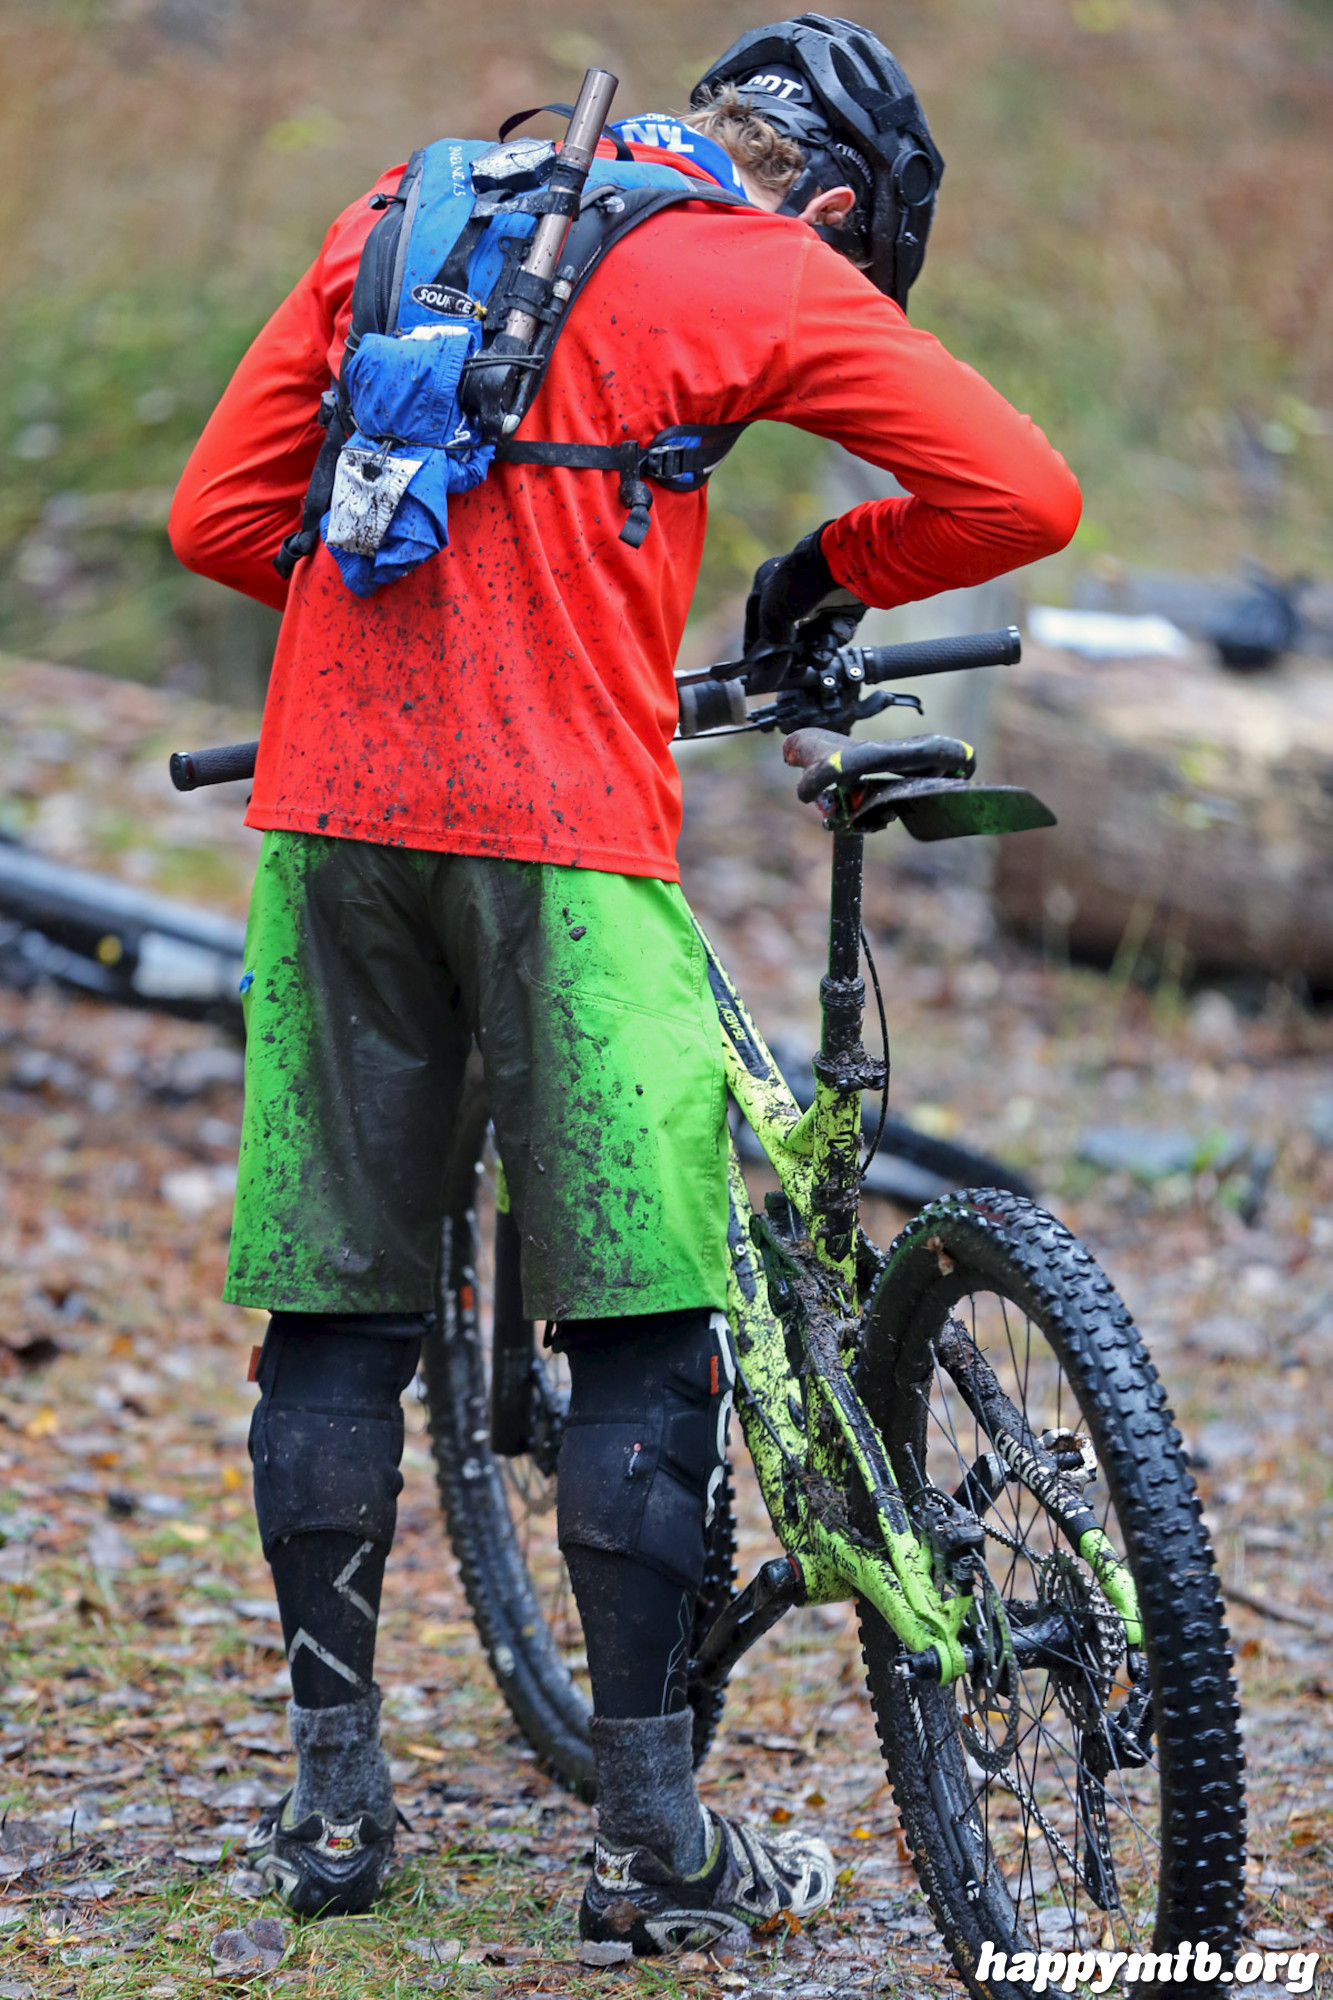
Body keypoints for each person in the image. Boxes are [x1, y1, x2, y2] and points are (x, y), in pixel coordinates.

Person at [169, 12, 1081, 1955]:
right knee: (648, 1324)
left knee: (333, 1311)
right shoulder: (751, 264)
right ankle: (652, 1838)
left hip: (328, 816)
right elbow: (1017, 497)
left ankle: (331, 1811)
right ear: (829, 208)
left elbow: (220, 522)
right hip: (563, 841)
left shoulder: (405, 212)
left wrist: (414, 630)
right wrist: (818, 567)